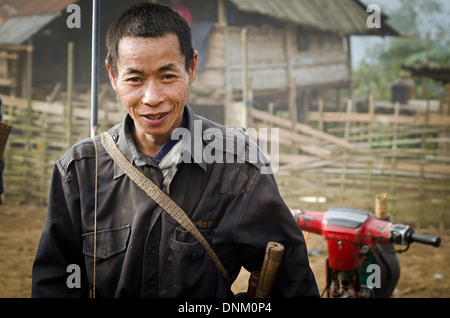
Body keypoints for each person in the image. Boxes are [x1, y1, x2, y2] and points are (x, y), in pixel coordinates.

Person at [31, 2, 318, 298]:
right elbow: (54, 284)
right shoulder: (78, 171)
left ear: (191, 67)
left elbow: (291, 282)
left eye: (167, 76)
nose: (152, 98)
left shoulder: (238, 165)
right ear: (113, 76)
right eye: (135, 79)